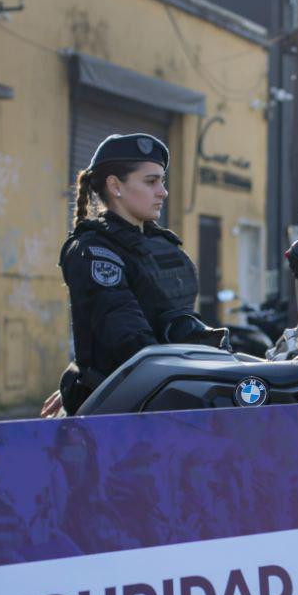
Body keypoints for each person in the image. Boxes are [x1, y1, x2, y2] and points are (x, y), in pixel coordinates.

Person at [44, 133, 216, 416]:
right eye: (151, 181)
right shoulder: (94, 251)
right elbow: (128, 339)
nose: (163, 192)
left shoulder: (159, 245)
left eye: (162, 181)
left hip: (161, 396)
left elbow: (174, 323)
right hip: (124, 412)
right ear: (115, 186)